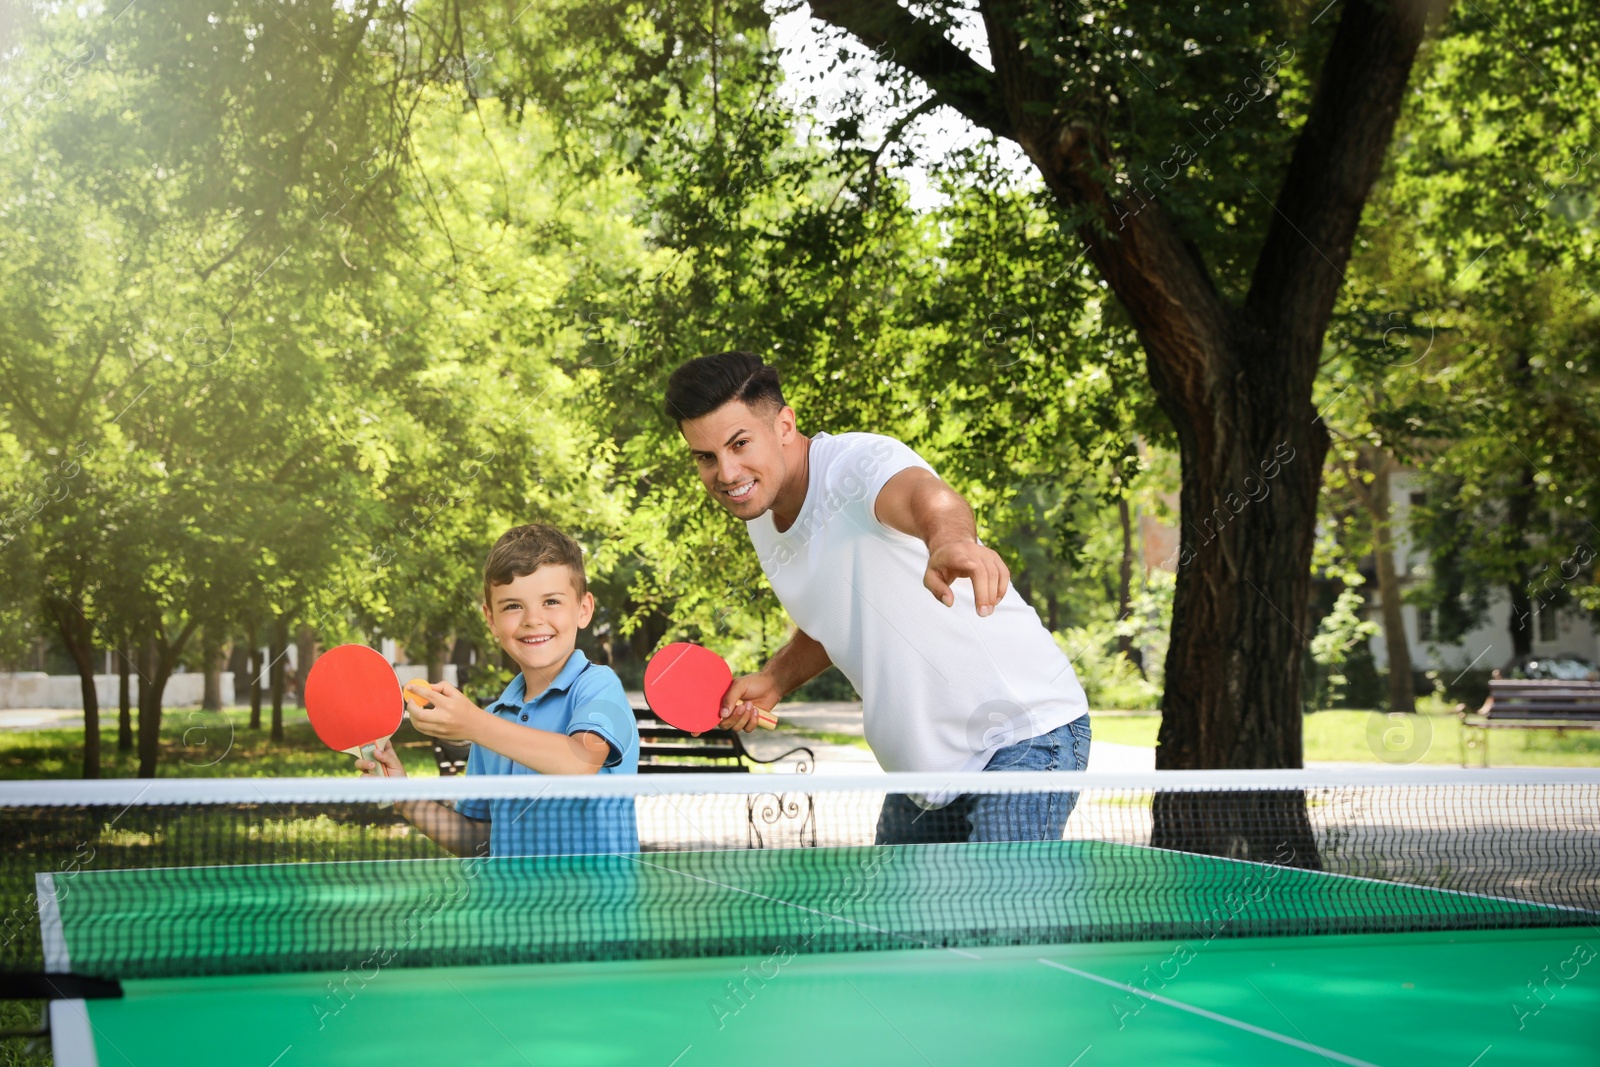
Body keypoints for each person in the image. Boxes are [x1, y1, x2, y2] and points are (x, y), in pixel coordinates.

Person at [664, 351, 1092, 844]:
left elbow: (926, 496)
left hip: (1023, 734)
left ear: (784, 425)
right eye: (706, 457)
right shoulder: (761, 512)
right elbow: (838, 617)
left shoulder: (858, 464)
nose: (727, 471)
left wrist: (949, 540)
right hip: (924, 770)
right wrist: (774, 678)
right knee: (894, 922)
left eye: (740, 444)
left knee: (1002, 918)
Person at [360, 523, 641, 856]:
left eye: (551, 601)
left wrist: (473, 726)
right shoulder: (493, 719)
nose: (533, 619)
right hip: (512, 906)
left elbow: (580, 762)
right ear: (491, 620)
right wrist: (403, 796)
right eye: (512, 606)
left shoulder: (598, 685)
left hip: (597, 907)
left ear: (583, 610)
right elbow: (476, 839)